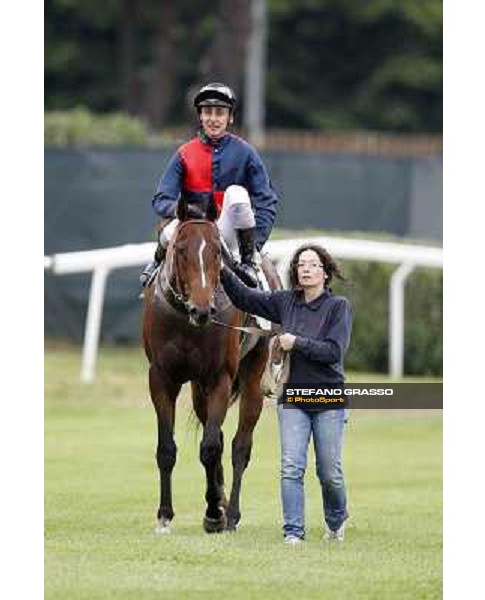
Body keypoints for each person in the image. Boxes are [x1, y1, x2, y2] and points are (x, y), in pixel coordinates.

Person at [220, 244, 353, 545]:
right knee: (292, 467)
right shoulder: (285, 302)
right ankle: (293, 532)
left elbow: (334, 352)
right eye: (301, 264)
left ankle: (336, 519)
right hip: (293, 399)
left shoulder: (338, 307)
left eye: (312, 264)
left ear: (325, 272)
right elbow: (245, 298)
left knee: (329, 471)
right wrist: (220, 269)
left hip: (328, 398)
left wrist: (297, 342)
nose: (305, 269)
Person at [140, 82, 279, 289]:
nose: (213, 119)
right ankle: (157, 260)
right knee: (168, 233)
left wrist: (256, 242)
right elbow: (161, 199)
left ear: (230, 117)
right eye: (208, 112)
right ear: (200, 116)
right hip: (193, 229)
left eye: (220, 113)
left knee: (237, 193)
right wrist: (185, 210)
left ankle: (249, 262)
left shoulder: (246, 153)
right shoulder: (184, 153)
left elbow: (266, 201)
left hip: (228, 231)